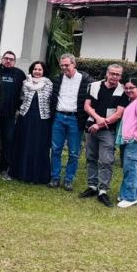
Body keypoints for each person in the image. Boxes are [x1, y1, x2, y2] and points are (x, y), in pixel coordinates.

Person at [78, 64, 128, 208]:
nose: (114, 77)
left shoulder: (123, 91)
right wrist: (97, 119)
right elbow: (87, 106)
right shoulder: (93, 85)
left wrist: (100, 124)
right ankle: (92, 187)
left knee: (106, 161)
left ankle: (103, 191)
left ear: (120, 76)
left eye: (117, 74)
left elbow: (118, 114)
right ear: (107, 73)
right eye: (112, 73)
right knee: (91, 157)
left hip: (108, 130)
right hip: (91, 128)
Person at [49, 54, 92, 190]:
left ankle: (68, 179)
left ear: (74, 64)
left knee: (74, 152)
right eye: (62, 65)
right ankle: (55, 177)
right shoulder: (57, 79)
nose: (64, 68)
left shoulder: (86, 80)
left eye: (67, 65)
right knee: (56, 149)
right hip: (59, 117)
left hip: (75, 118)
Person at [10, 61, 53, 184]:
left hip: (42, 120)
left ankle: (36, 176)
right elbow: (21, 98)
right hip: (26, 118)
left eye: (40, 69)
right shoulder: (25, 83)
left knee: (38, 146)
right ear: (31, 70)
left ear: (43, 71)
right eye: (35, 69)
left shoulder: (48, 84)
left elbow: (51, 100)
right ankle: (20, 173)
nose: (37, 72)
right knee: (24, 144)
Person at [0, 51, 26, 180]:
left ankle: (4, 170)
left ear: (14, 61)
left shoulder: (19, 74)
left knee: (8, 142)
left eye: (11, 59)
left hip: (10, 115)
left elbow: (25, 92)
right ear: (2, 59)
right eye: (6, 58)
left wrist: (18, 108)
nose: (8, 61)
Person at [116, 78, 137, 208]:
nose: (129, 90)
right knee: (131, 168)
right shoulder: (132, 101)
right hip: (129, 140)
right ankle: (135, 194)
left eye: (132, 88)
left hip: (136, 141)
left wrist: (136, 137)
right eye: (127, 88)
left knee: (130, 168)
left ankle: (130, 197)